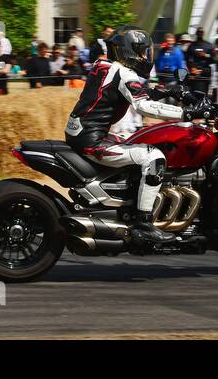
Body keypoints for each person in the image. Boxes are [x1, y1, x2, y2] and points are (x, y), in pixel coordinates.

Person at [62, 26, 203, 244]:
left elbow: (134, 91)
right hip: (93, 139)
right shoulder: (123, 72)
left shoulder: (106, 67)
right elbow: (143, 105)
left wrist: (168, 90)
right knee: (154, 157)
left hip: (83, 133)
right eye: (142, 51)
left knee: (139, 144)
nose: (145, 56)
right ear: (130, 51)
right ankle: (143, 223)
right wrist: (186, 113)